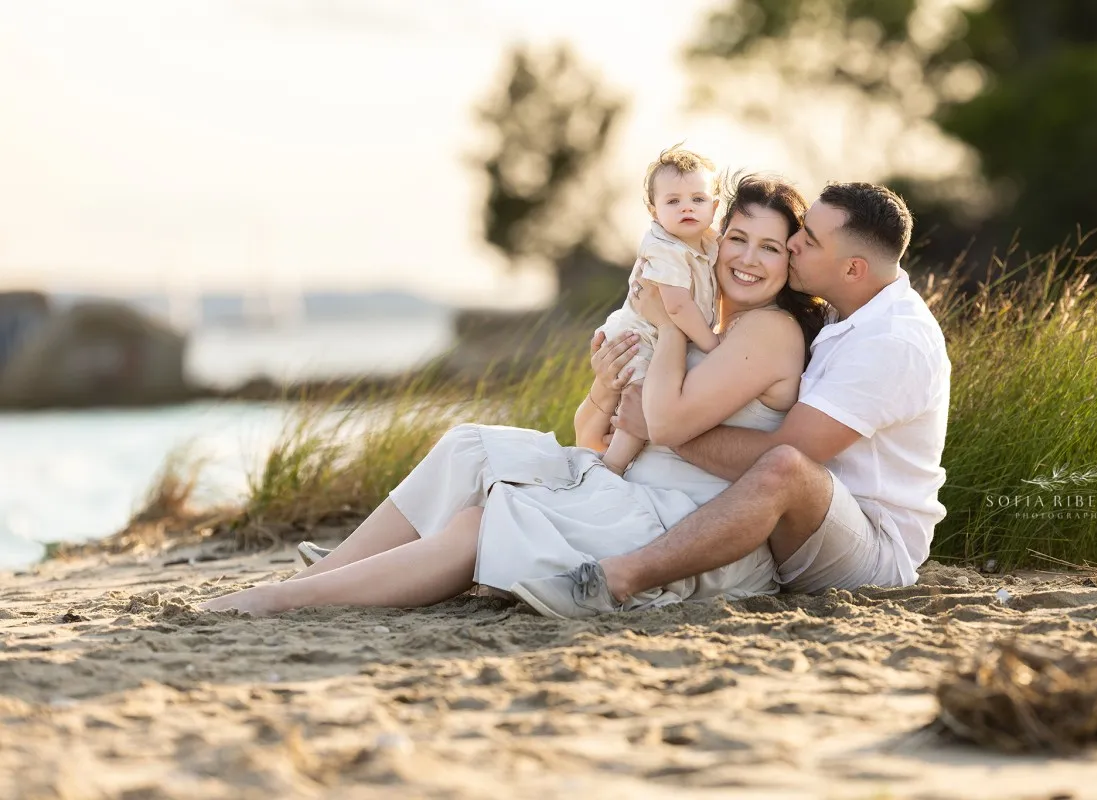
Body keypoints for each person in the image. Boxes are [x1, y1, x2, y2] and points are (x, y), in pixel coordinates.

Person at [199, 175, 826, 616]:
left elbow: (663, 424)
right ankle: (332, 574)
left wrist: (663, 324)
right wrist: (606, 389)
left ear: (789, 262)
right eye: (737, 240)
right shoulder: (710, 322)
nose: (748, 258)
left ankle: (285, 600)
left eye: (770, 247)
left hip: (688, 530)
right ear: (716, 243)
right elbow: (595, 439)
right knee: (471, 445)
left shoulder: (767, 330)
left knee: (485, 521)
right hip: (629, 489)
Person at [512, 182, 952, 619]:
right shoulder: (844, 311)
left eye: (808, 240)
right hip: (804, 521)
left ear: (853, 269)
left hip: (870, 549)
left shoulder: (892, 341)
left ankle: (619, 578)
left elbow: (789, 454)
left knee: (786, 467)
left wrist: (664, 431)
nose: (793, 243)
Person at [595, 146, 721, 475]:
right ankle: (613, 465)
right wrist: (713, 347)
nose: (687, 208)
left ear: (715, 206)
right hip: (640, 335)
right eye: (673, 201)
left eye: (698, 199)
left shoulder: (708, 241)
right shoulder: (664, 248)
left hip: (662, 334)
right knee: (641, 394)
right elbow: (677, 307)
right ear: (654, 212)